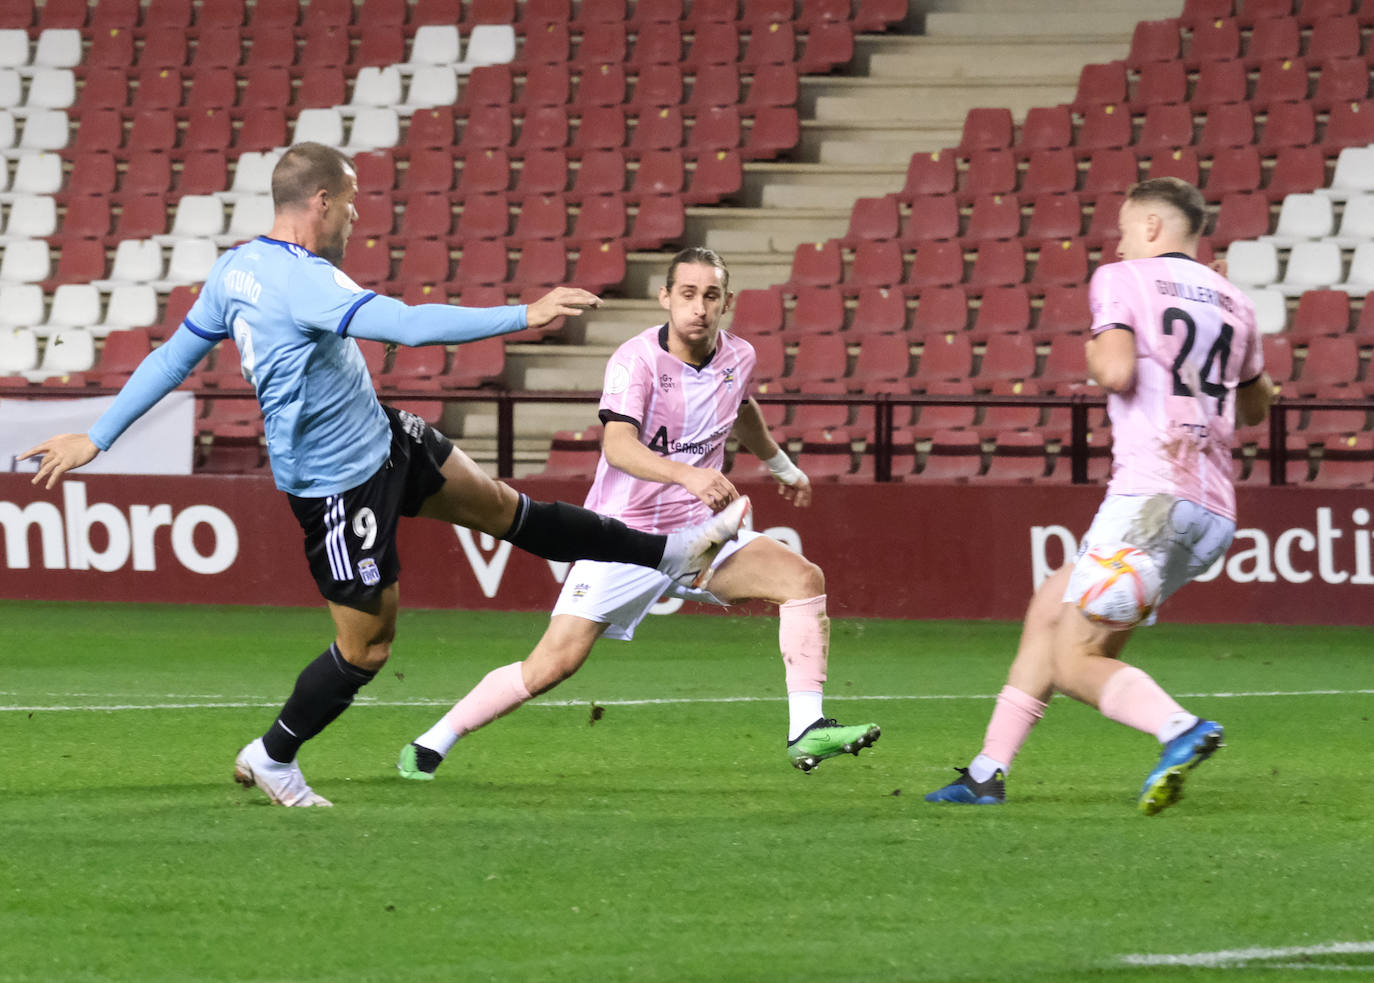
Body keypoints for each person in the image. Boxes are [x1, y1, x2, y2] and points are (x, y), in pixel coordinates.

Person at [19, 143, 749, 808]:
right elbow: (406, 326)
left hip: (385, 438)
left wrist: (98, 434)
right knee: (368, 648)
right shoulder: (305, 282)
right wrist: (524, 312)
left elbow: (174, 356)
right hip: (335, 488)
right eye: (354, 201)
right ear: (322, 203)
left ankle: (671, 554)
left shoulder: (235, 267)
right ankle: (273, 755)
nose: (360, 216)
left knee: (510, 510)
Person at [396, 246, 880, 781]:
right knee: (551, 665)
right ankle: (432, 742)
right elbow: (618, 447)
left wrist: (782, 465)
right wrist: (688, 474)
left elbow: (742, 409)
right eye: (688, 294)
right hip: (623, 539)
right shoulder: (637, 360)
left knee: (802, 578)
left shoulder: (738, 357)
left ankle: (805, 729)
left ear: (728, 302)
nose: (699, 307)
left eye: (711, 296)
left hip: (702, 536)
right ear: (665, 298)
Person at [925, 177, 1274, 815]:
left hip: (1150, 496)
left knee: (1074, 658)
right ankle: (985, 772)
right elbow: (1255, 406)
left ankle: (1179, 729)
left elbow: (1114, 370)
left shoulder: (1123, 278)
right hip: (1212, 512)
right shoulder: (1235, 300)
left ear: (1148, 228)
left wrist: (1092, 347)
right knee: (1050, 606)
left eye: (1120, 231)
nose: (1116, 246)